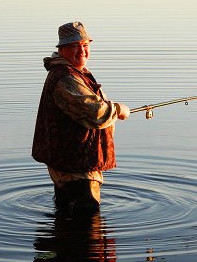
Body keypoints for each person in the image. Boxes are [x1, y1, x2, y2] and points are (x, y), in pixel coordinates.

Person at [32, 21, 130, 214]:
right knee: (87, 225)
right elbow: (94, 112)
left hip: (70, 164)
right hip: (77, 168)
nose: (82, 51)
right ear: (61, 50)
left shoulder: (72, 73)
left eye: (85, 45)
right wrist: (118, 109)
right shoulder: (65, 78)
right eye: (74, 46)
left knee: (66, 220)